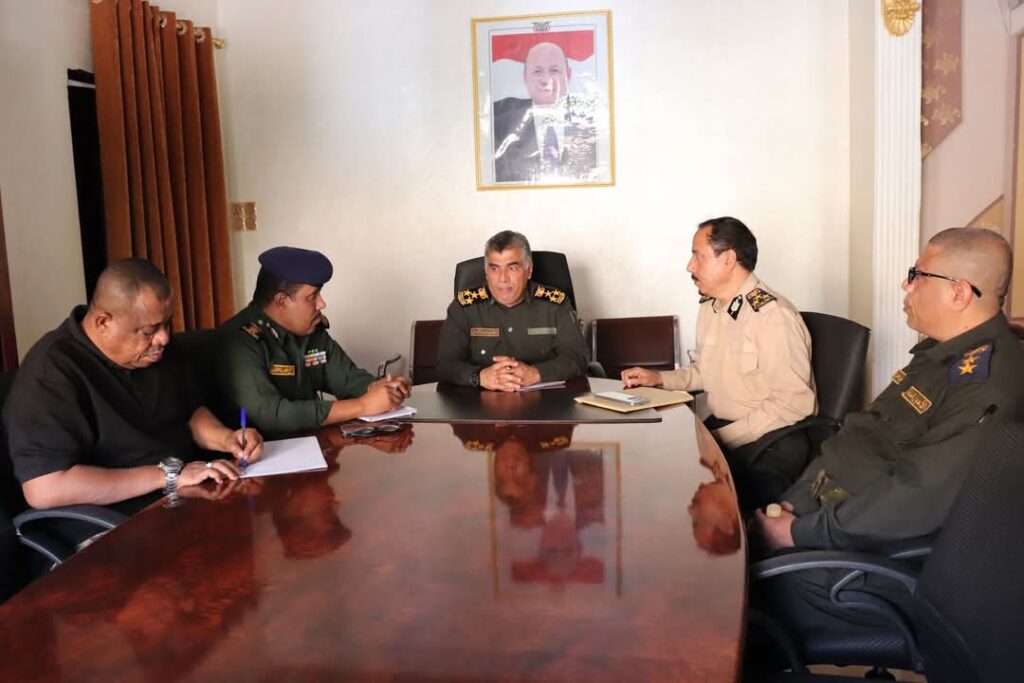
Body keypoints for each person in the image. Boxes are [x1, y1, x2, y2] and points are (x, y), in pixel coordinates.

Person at [749, 227, 1024, 657]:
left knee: (733, 600)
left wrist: (798, 532)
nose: (905, 285)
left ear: (958, 293)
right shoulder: (937, 356)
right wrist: (794, 503)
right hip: (839, 521)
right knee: (726, 553)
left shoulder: (985, 385)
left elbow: (915, 498)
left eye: (917, 275)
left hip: (879, 559)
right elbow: (856, 438)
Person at [4, 259, 262, 518]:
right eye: (149, 331)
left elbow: (190, 414)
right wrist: (168, 476)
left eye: (167, 324)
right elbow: (45, 487)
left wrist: (227, 439)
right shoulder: (52, 370)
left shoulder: (158, 351)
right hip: (115, 517)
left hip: (182, 495)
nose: (163, 338)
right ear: (103, 322)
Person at [622, 216, 816, 509]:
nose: (690, 266)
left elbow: (792, 404)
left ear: (728, 259)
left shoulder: (773, 317)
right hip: (728, 427)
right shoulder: (712, 306)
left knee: (725, 503)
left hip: (773, 438)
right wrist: (659, 379)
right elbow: (705, 371)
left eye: (698, 256)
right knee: (662, 468)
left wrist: (720, 438)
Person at [218, 246, 409, 436]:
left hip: (313, 442)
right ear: (281, 301)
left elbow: (347, 378)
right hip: (263, 450)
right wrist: (362, 405)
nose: (322, 303)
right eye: (312, 297)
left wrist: (379, 388)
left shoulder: (310, 330)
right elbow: (271, 415)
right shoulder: (240, 341)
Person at [436, 230, 589, 390]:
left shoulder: (555, 304)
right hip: (477, 400)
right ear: (486, 273)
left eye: (512, 268)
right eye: (495, 269)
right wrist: (480, 376)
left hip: (547, 400)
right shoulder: (464, 306)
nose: (503, 278)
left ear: (529, 270)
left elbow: (579, 357)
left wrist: (536, 373)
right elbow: (445, 364)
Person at [493, 41, 597, 183]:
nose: (546, 80)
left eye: (554, 70)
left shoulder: (593, 120)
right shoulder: (499, 123)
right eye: (537, 71)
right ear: (525, 77)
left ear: (568, 75)